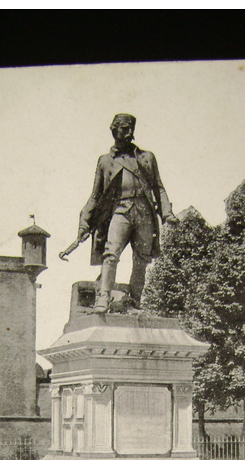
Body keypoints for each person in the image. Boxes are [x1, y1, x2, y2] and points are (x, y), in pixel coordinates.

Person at [77, 113, 178, 312]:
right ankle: (103, 298)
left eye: (131, 128)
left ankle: (135, 301)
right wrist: (84, 222)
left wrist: (167, 213)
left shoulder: (146, 157)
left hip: (144, 213)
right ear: (113, 130)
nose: (129, 132)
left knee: (141, 260)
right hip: (121, 211)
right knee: (111, 254)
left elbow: (159, 187)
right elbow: (96, 195)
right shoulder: (105, 161)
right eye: (124, 128)